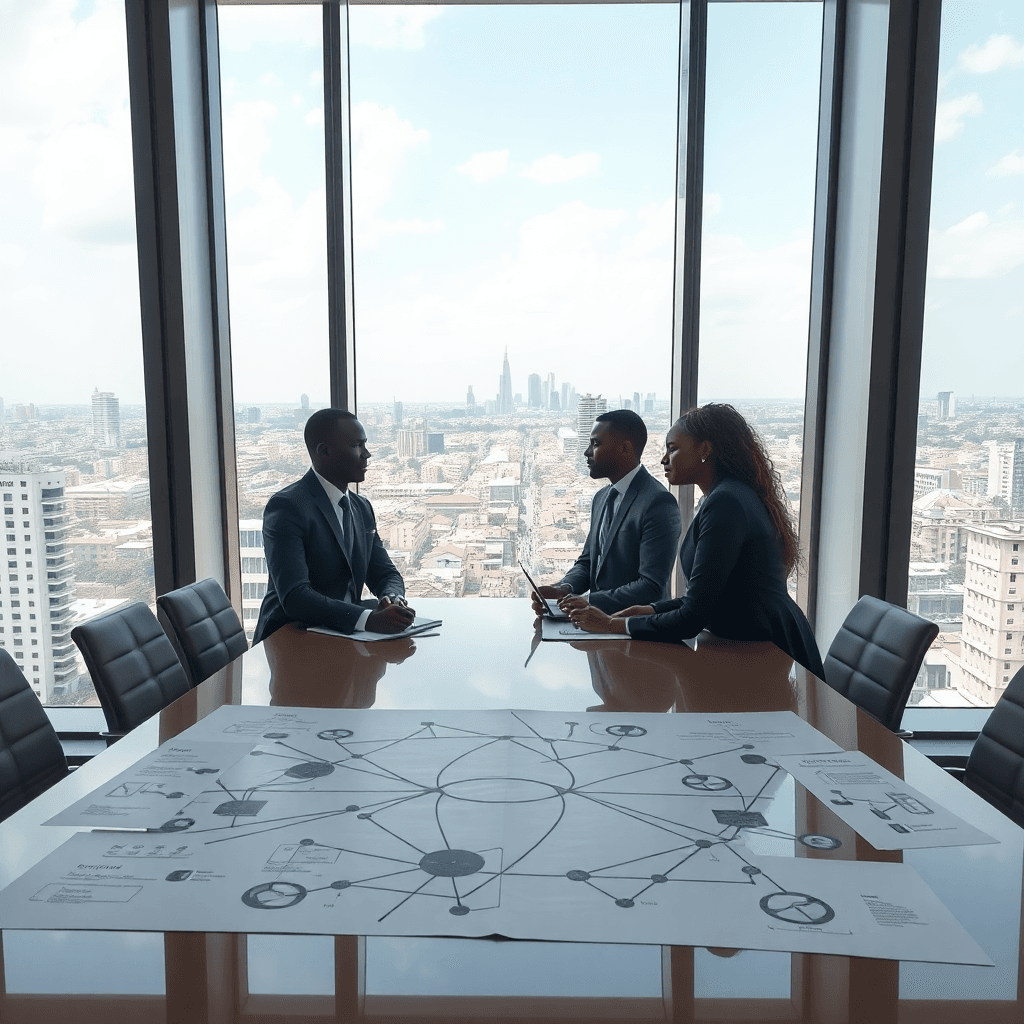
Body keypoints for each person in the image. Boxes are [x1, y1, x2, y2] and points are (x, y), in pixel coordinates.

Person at [567, 403, 825, 678]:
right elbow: (709, 597)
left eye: (673, 448)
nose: (664, 459)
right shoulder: (725, 496)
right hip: (752, 643)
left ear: (704, 450)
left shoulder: (725, 502)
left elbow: (692, 618)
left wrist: (610, 625)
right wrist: (652, 609)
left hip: (764, 651)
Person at [252, 409, 415, 642]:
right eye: (357, 445)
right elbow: (296, 597)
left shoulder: (361, 507)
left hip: (342, 635)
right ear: (324, 451)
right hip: (291, 638)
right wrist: (369, 620)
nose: (366, 454)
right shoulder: (287, 507)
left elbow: (384, 572)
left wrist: (392, 598)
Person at [531, 409, 681, 616]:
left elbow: (651, 585)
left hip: (634, 632)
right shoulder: (601, 498)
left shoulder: (658, 502)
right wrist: (564, 589)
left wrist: (588, 601)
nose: (587, 452)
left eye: (595, 444)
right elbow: (588, 562)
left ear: (625, 448)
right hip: (594, 624)